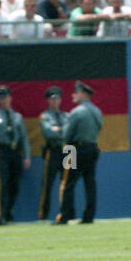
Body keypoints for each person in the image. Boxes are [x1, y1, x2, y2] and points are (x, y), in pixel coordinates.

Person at [57, 81, 103, 224]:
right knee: (90, 183)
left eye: (76, 92)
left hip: (72, 149)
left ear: (83, 94)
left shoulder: (76, 112)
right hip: (92, 147)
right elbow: (99, 127)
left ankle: (65, 215)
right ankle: (88, 216)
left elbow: (66, 134)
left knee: (67, 183)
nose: (73, 95)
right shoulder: (97, 111)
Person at [0, 85, 29, 224]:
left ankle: (9, 212)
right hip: (2, 152)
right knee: (3, 184)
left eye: (6, 97)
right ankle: (1, 215)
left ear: (10, 98)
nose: (4, 100)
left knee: (14, 184)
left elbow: (23, 138)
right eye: (1, 98)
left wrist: (26, 156)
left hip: (15, 152)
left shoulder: (17, 117)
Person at [37, 86, 67, 220]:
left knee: (68, 183)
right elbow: (48, 133)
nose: (55, 101)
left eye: (57, 98)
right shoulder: (45, 116)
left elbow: (72, 133)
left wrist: (58, 130)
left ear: (60, 100)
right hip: (53, 151)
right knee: (47, 185)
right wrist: (62, 131)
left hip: (69, 150)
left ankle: (66, 213)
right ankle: (43, 216)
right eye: (52, 99)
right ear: (48, 100)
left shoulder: (67, 115)